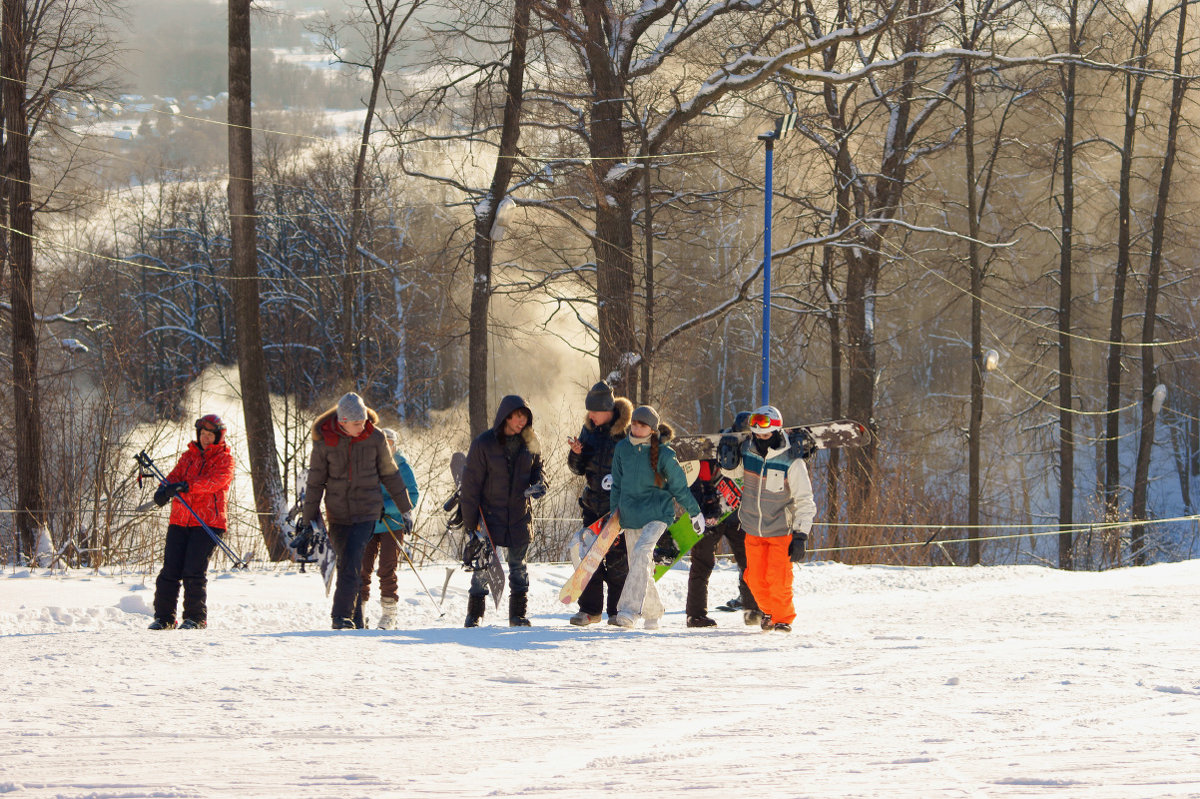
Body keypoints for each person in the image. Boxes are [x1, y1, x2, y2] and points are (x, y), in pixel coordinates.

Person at [301, 392, 413, 630]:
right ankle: (357, 619)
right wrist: (307, 517)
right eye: (356, 423)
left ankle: (340, 617)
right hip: (338, 513)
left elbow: (390, 474)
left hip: (367, 512)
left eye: (363, 421)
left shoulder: (375, 437)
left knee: (353, 560)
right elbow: (315, 482)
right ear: (342, 422)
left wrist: (405, 509)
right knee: (345, 564)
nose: (362, 426)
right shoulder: (325, 442)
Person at [609, 405, 702, 630]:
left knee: (642, 553)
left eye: (643, 425)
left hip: (658, 514)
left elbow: (680, 487)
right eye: (635, 423)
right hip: (630, 516)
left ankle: (628, 611)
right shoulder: (621, 449)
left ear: (651, 430)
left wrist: (695, 512)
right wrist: (614, 518)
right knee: (639, 565)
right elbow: (617, 485)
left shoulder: (664, 454)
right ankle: (653, 612)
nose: (637, 427)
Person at [459, 395, 546, 628]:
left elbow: (539, 469)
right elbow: (470, 485)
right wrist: (470, 524)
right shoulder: (483, 443)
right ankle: (474, 615)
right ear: (506, 416)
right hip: (488, 517)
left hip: (520, 515)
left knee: (519, 568)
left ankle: (517, 616)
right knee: (483, 567)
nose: (522, 421)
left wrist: (540, 485)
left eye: (525, 417)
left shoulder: (531, 440)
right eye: (518, 416)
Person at [149, 414, 235, 631]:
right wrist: (163, 490)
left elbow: (216, 481)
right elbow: (173, 477)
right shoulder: (188, 457)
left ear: (218, 436)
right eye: (203, 434)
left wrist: (186, 486)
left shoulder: (225, 459)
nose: (205, 438)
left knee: (193, 570)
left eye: (210, 435)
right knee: (170, 570)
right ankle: (165, 617)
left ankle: (196, 618)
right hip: (180, 520)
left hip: (208, 522)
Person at [737, 405, 816, 633]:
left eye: (766, 434)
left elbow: (805, 498)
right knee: (754, 578)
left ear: (777, 431)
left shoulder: (792, 460)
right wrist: (726, 462)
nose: (761, 438)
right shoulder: (748, 452)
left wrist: (801, 534)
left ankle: (782, 619)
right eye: (758, 434)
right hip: (753, 527)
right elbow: (734, 474)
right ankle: (769, 613)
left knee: (778, 578)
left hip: (781, 529)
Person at [685, 411, 762, 628]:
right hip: (713, 512)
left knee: (749, 562)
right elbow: (698, 476)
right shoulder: (714, 446)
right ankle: (696, 615)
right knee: (702, 562)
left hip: (740, 515)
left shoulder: (756, 448)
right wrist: (703, 502)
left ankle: (753, 610)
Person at [565, 381, 633, 626]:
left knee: (617, 560)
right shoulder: (589, 430)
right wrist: (576, 454)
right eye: (589, 411)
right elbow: (577, 469)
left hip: (617, 509)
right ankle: (590, 610)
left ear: (607, 409)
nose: (590, 416)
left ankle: (617, 611)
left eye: (594, 411)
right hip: (592, 505)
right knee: (588, 558)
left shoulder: (626, 433)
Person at [359, 427, 420, 630]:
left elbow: (412, 495)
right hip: (369, 523)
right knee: (362, 568)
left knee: (386, 568)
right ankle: (359, 611)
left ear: (395, 445)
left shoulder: (402, 466)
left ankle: (389, 614)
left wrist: (387, 507)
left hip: (392, 524)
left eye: (389, 443)